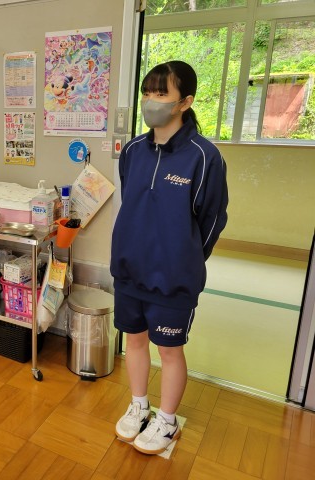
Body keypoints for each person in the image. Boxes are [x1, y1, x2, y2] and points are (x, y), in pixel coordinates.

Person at [110, 61, 228, 455]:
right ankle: (139, 405)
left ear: (185, 102)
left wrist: (187, 258)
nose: (151, 101)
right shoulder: (132, 151)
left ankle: (167, 419)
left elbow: (212, 219)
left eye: (161, 93)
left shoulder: (204, 157)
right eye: (147, 92)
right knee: (135, 341)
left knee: (170, 350)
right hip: (130, 270)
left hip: (174, 278)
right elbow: (134, 204)